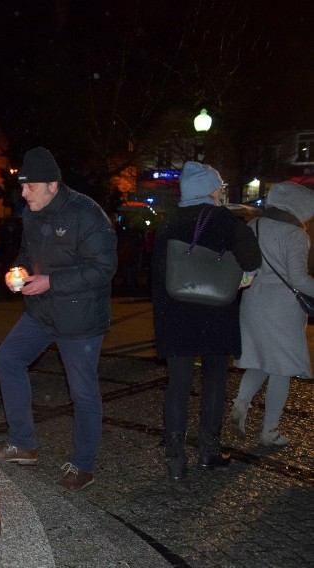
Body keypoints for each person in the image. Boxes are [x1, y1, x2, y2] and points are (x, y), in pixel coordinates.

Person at [0, 147, 118, 491]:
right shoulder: (33, 211)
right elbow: (27, 251)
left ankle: (83, 466)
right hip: (43, 311)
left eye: (30, 186)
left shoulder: (87, 215)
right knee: (8, 357)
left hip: (80, 318)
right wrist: (17, 270)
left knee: (83, 392)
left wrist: (52, 281)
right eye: (22, 186)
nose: (23, 193)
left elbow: (104, 268)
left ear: (52, 185)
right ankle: (23, 444)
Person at [152, 161, 261, 481]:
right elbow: (252, 259)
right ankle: (208, 451)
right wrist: (244, 278)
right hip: (216, 315)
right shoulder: (226, 219)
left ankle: (175, 455)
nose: (221, 191)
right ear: (207, 189)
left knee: (178, 384)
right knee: (214, 381)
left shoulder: (170, 222)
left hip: (177, 315)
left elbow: (158, 273)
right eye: (218, 186)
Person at [231, 181, 314, 446]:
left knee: (259, 361)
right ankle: (270, 430)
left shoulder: (253, 226)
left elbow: (246, 271)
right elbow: (299, 280)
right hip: (283, 307)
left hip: (253, 301)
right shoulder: (295, 234)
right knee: (281, 368)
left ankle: (241, 401)